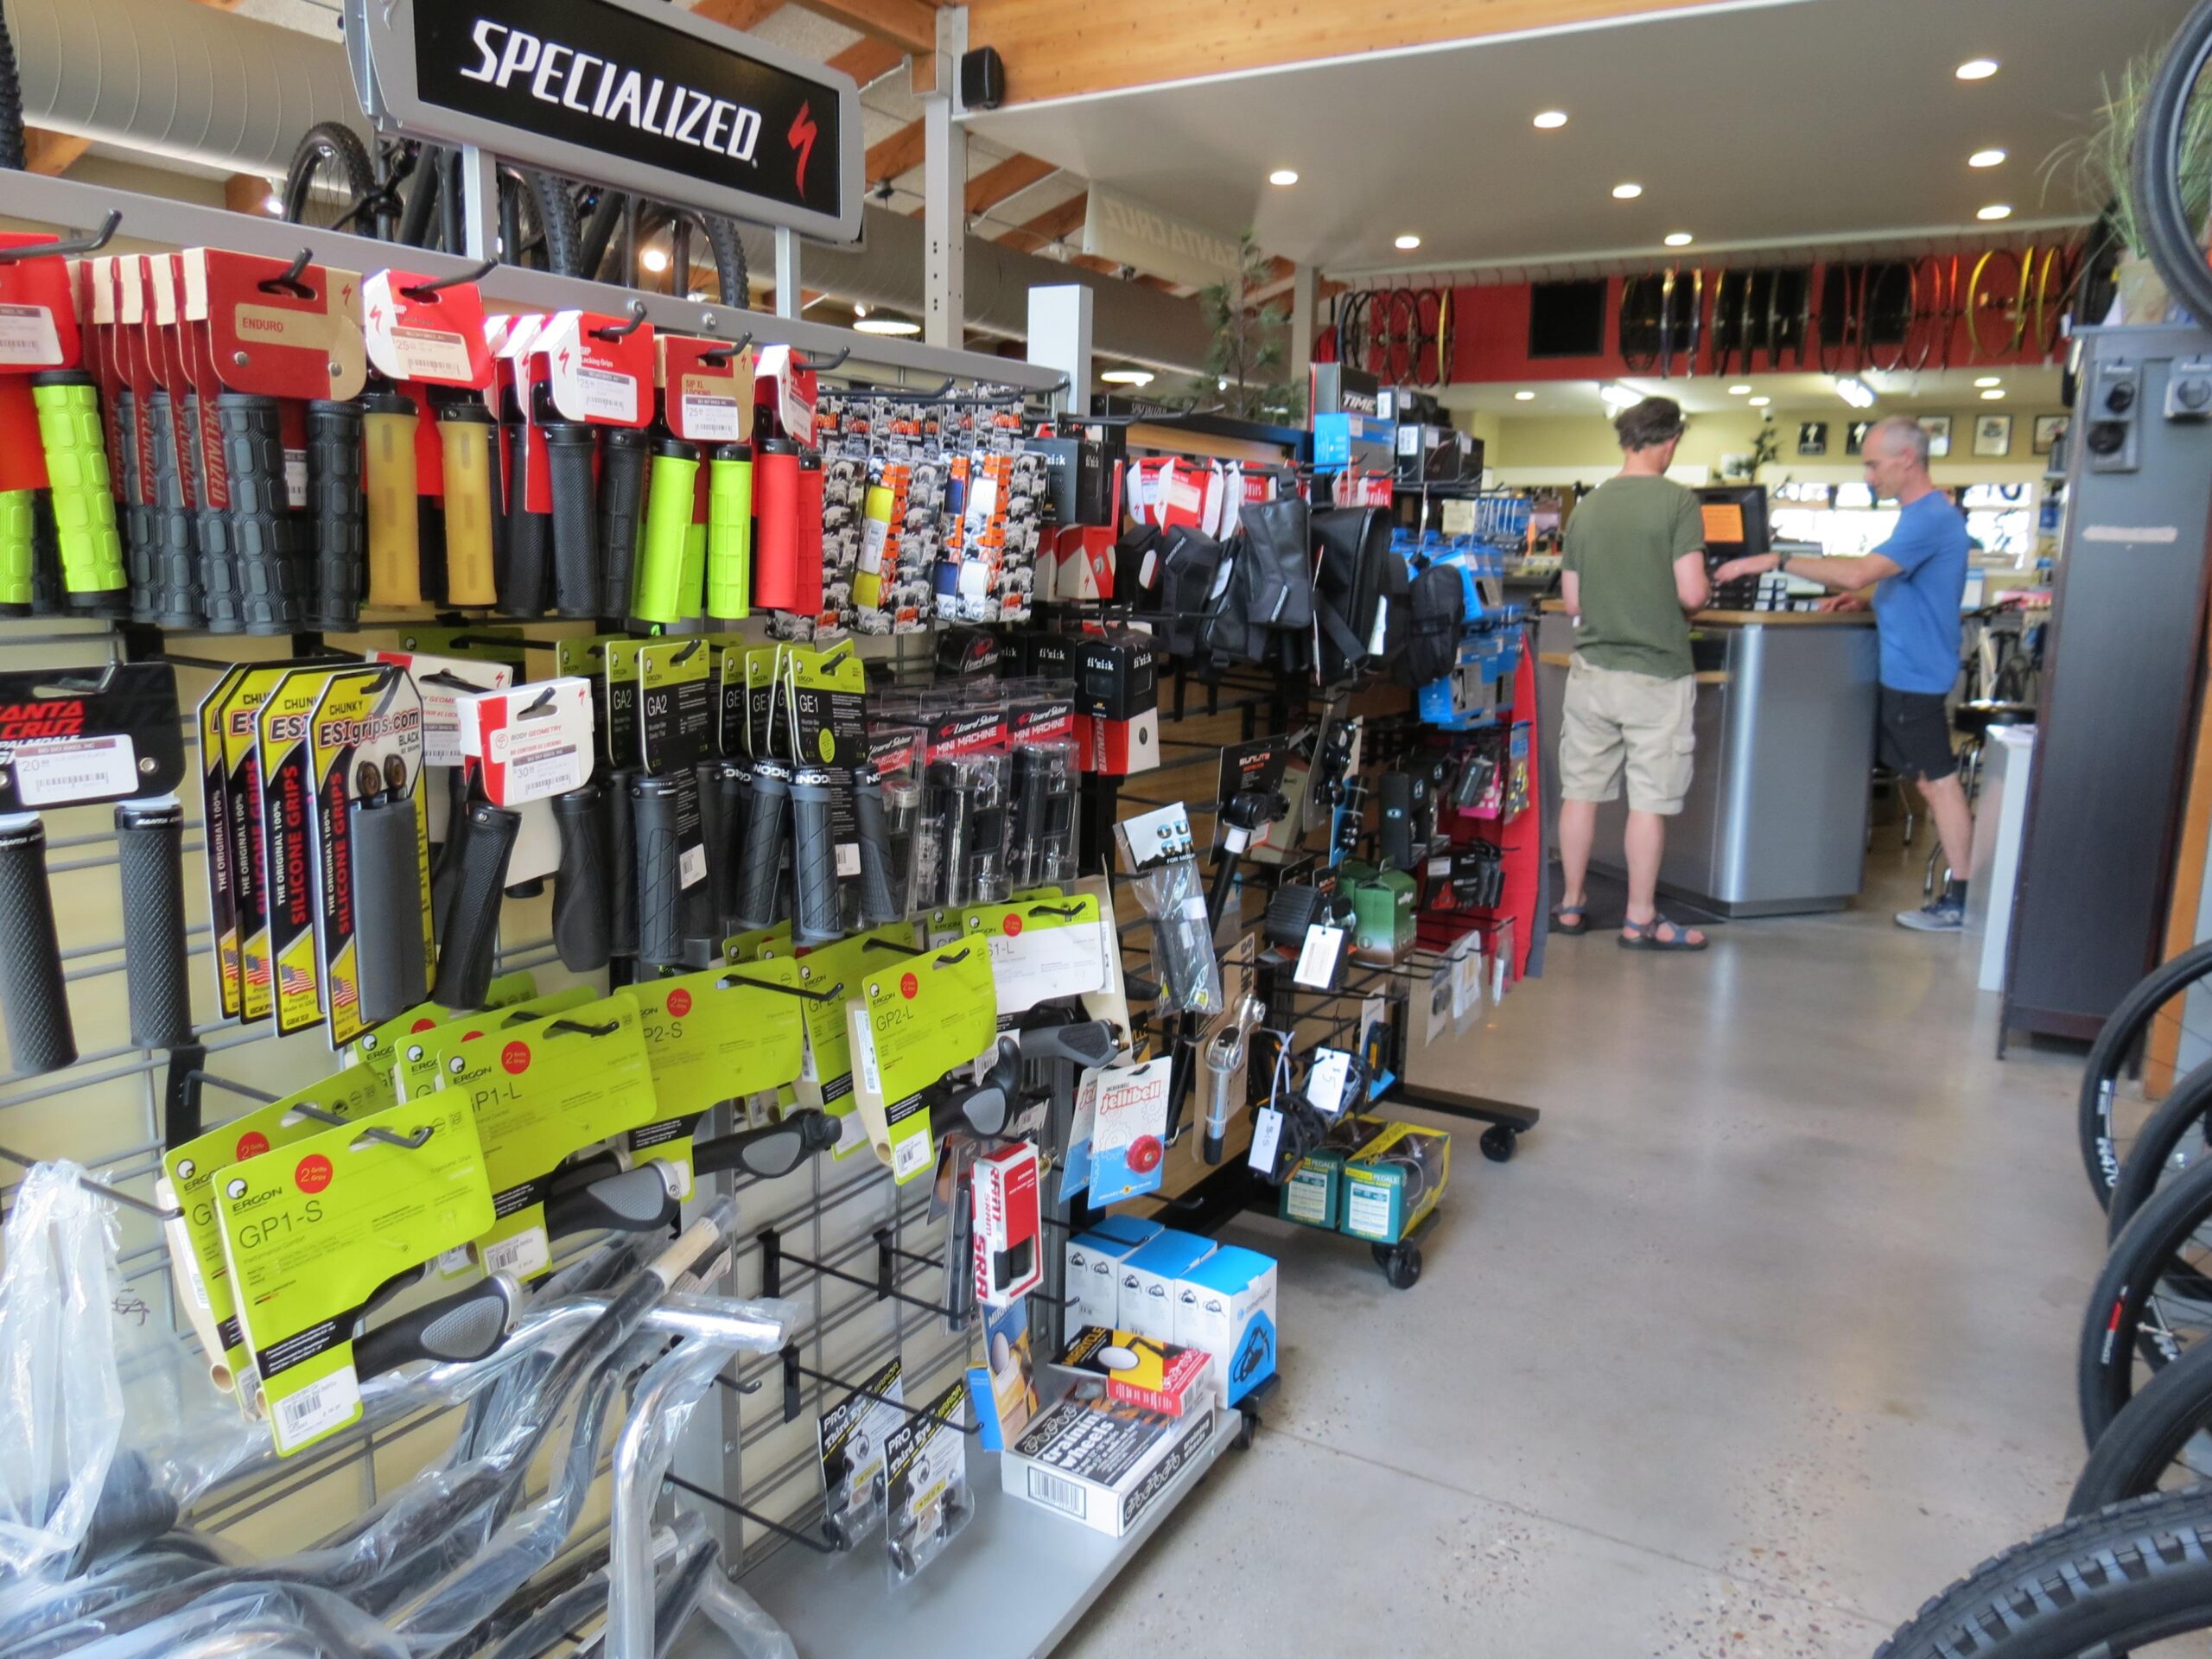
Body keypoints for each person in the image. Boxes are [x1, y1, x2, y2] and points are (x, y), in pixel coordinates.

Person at [1714, 416, 1972, 931]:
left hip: (1916, 677)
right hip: (1904, 670)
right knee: (1927, 783)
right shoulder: (1920, 516)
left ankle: (1962, 900)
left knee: (1938, 785)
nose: (1869, 476)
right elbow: (1896, 581)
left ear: (1907, 458)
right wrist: (1866, 596)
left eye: (1874, 465)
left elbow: (1860, 568)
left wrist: (1774, 559)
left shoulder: (1928, 518)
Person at [1554, 395, 1712, 951]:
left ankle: (1571, 906)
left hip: (1593, 671)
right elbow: (1692, 590)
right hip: (1657, 674)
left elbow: (1573, 601)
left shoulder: (1589, 506)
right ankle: (1639, 918)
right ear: (1669, 443)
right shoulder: (1678, 503)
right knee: (1647, 801)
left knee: (1581, 792)